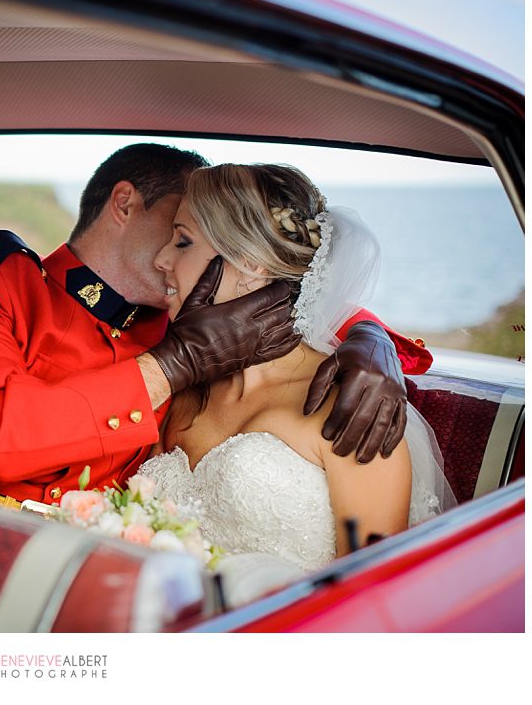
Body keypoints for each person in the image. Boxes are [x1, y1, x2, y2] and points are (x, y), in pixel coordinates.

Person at [0, 144, 427, 508]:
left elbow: (306, 299)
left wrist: (371, 342)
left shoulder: (187, 315)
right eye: (180, 224)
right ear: (124, 204)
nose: (176, 249)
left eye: (186, 234)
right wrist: (175, 365)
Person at [137, 163, 455, 605]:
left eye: (183, 240)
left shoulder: (351, 406)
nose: (161, 259)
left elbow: (375, 598)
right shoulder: (184, 383)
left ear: (249, 265)